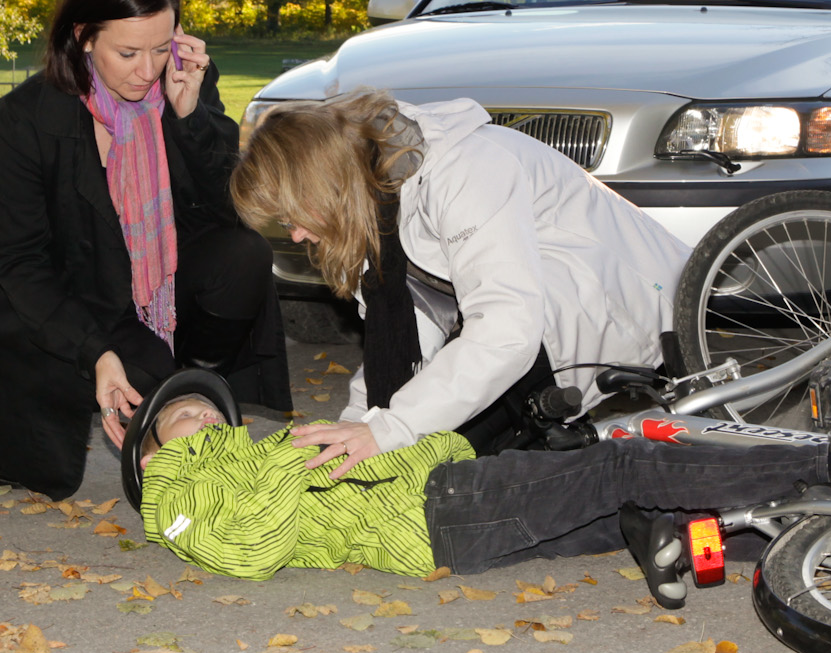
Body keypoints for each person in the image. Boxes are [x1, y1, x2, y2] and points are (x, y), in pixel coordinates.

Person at [0, 0, 289, 500]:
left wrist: (188, 115)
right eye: (128, 53)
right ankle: (59, 412)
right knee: (42, 467)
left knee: (243, 256)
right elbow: (18, 261)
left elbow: (228, 206)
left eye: (161, 48)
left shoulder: (183, 78)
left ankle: (187, 381)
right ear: (83, 36)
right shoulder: (26, 120)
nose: (148, 70)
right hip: (61, 293)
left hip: (149, 282)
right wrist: (96, 352)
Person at [129, 371, 831, 605]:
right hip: (438, 519)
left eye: (203, 399)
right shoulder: (174, 495)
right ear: (147, 454)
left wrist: (431, 441)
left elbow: (390, 457)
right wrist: (286, 459)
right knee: (624, 462)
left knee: (645, 520)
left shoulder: (256, 448)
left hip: (446, 492)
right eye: (176, 412)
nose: (196, 407)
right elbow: (249, 548)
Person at [230, 90, 690, 478]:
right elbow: (404, 331)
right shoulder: (373, 196)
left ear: (322, 184)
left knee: (452, 461)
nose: (295, 235)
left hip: (628, 300)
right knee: (418, 450)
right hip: (546, 308)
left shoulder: (465, 170)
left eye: (293, 215)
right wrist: (354, 427)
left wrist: (389, 429)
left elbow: (506, 330)